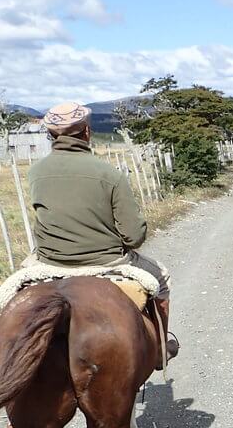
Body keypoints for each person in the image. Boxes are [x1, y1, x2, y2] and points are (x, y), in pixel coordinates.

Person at [27, 101, 177, 358]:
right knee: (161, 278)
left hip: (50, 261)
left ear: (51, 136)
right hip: (106, 261)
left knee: (14, 294)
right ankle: (161, 351)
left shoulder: (35, 172)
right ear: (86, 132)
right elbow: (134, 236)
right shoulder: (109, 173)